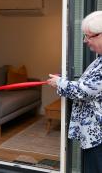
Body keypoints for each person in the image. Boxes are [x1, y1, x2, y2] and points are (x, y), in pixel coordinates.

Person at [48, 11, 102, 173]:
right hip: (94, 135)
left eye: (88, 36)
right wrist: (63, 81)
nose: (85, 41)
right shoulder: (99, 58)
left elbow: (85, 91)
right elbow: (88, 84)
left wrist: (59, 83)